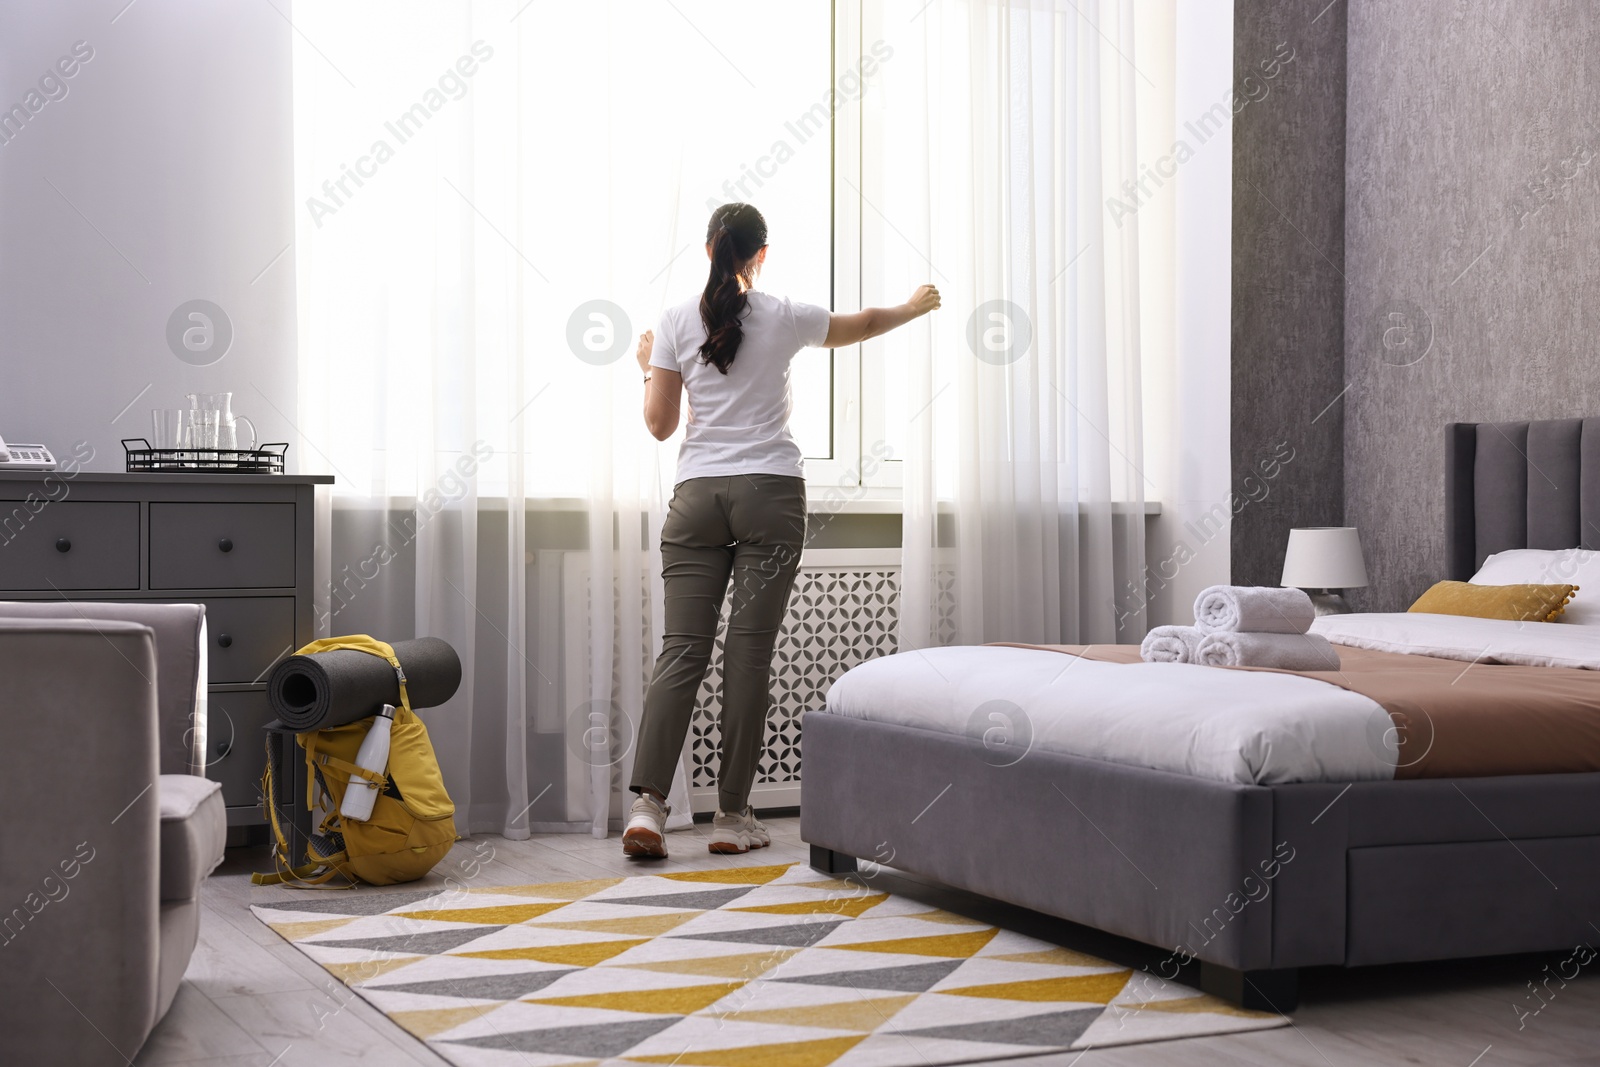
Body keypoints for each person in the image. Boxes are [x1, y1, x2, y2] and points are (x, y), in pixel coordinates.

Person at [623, 201, 940, 857]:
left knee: (682, 650)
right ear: (758, 254)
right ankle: (733, 818)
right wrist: (912, 308)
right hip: (770, 492)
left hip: (697, 498)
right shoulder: (787, 314)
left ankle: (648, 808)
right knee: (749, 652)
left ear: (710, 246)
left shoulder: (676, 318)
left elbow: (658, 425)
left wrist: (649, 363)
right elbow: (863, 323)